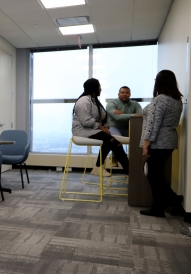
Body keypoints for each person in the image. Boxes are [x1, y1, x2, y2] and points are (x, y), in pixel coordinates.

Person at [139, 70, 184, 218]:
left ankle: (172, 201)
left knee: (153, 175)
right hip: (169, 140)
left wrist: (146, 145)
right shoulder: (176, 99)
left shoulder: (161, 99)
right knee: (156, 175)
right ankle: (161, 206)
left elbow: (153, 124)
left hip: (159, 141)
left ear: (159, 82)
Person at [72, 78, 129, 177]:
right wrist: (102, 129)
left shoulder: (95, 101)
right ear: (94, 88)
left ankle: (128, 170)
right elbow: (86, 121)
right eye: (99, 86)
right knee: (114, 142)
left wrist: (106, 127)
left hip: (94, 130)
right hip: (82, 131)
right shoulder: (83, 101)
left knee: (113, 142)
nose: (101, 89)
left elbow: (104, 117)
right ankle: (129, 170)